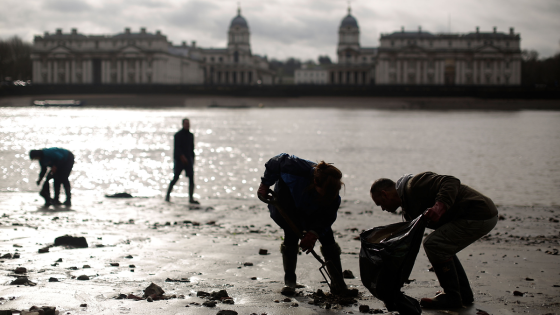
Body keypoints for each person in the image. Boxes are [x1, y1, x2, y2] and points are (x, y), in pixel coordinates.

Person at [370, 172, 499, 309]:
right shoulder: (408, 211)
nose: (383, 209)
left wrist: (440, 205)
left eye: (380, 204)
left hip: (479, 212)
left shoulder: (414, 184)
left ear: (385, 194)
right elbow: (410, 246)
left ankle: (452, 297)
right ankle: (462, 294)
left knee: (434, 244)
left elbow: (451, 181)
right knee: (442, 246)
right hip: (474, 217)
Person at [257, 153, 350, 293]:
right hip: (287, 202)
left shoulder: (332, 195)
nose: (327, 197)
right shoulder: (296, 167)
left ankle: (338, 283)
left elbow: (328, 217)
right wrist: (265, 184)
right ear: (315, 182)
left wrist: (313, 233)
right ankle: (290, 282)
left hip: (313, 210)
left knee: (327, 237)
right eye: (323, 194)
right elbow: (275, 162)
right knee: (291, 233)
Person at [165, 118, 199, 204]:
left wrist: (193, 159)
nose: (187, 125)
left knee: (191, 179)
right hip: (179, 161)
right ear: (183, 124)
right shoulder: (178, 135)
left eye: (188, 123)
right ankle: (167, 195)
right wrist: (182, 157)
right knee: (175, 178)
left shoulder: (191, 135)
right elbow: (177, 149)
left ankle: (191, 198)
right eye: (186, 123)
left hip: (189, 160)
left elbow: (192, 149)